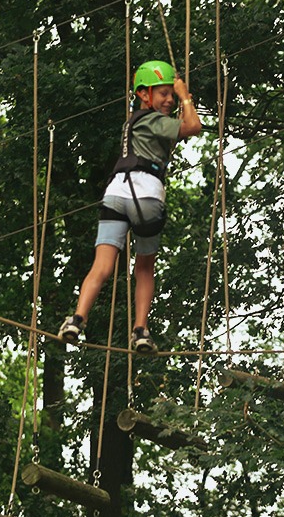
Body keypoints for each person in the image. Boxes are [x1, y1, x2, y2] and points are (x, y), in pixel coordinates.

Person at [58, 60, 202, 352]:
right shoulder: (153, 120)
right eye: (163, 93)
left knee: (102, 265)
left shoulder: (134, 122)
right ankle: (140, 331)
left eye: (171, 96)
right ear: (143, 95)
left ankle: (76, 319)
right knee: (145, 268)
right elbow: (193, 126)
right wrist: (185, 95)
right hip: (146, 196)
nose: (169, 100)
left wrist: (177, 97)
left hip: (115, 194)